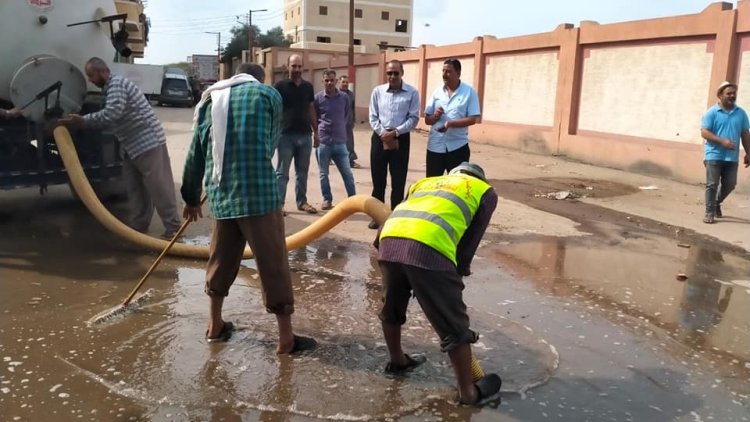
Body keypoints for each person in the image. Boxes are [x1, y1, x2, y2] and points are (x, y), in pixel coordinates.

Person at [181, 62, 317, 354]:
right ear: (259, 79)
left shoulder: (210, 101)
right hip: (259, 194)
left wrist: (191, 197)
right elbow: (269, 144)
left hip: (221, 194)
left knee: (220, 259)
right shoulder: (268, 96)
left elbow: (196, 152)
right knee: (273, 263)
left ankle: (214, 325)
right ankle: (285, 340)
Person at [374, 162, 501, 405]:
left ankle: (398, 360)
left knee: (392, 307)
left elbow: (399, 212)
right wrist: (457, 274)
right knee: (454, 324)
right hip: (428, 246)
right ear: (479, 179)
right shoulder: (485, 191)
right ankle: (468, 393)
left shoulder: (425, 182)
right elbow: (470, 241)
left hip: (389, 240)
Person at [58, 57, 182, 239]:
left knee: (158, 186)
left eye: (91, 75)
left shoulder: (116, 84)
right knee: (135, 187)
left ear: (103, 71)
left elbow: (112, 113)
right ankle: (140, 226)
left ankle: (173, 228)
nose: (90, 79)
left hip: (147, 141)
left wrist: (82, 121)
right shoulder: (109, 88)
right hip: (131, 145)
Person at [368, 59, 420, 229]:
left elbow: (413, 118)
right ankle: (378, 216)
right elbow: (373, 116)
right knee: (378, 179)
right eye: (389, 73)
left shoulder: (412, 93)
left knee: (398, 180)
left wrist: (395, 132)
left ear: (402, 73)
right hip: (380, 137)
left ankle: (395, 217)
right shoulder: (378, 91)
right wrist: (383, 132)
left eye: (395, 73)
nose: (392, 76)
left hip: (401, 138)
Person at [274, 54, 319, 215]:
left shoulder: (308, 87)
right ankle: (278, 205)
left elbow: (311, 109)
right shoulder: (280, 86)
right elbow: (274, 110)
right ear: (288, 67)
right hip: (285, 136)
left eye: (299, 66)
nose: (297, 69)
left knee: (302, 172)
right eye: (294, 66)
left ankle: (302, 202)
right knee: (282, 173)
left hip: (305, 136)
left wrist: (316, 132)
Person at [700, 81, 750, 224]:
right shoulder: (711, 112)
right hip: (713, 154)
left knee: (730, 184)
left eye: (734, 93)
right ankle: (709, 212)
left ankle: (716, 202)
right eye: (728, 93)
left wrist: (748, 152)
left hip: (731, 157)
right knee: (712, 184)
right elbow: (704, 132)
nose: (732, 95)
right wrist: (722, 141)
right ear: (720, 95)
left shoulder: (741, 113)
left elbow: (745, 133)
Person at [424, 58, 481, 178]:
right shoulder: (437, 92)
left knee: (456, 186)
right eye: (443, 71)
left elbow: (472, 119)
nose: (444, 74)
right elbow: (427, 119)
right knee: (432, 186)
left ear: (458, 73)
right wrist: (435, 116)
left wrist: (451, 124)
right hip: (435, 147)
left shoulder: (469, 92)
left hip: (457, 148)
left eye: (448, 71)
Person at [313, 69, 357, 210]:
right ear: (323, 81)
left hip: (340, 142)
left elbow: (345, 115)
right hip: (324, 142)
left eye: (332, 80)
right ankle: (327, 199)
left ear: (336, 80)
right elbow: (315, 117)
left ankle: (353, 200)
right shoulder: (318, 98)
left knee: (347, 173)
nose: (329, 83)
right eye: (326, 80)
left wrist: (340, 130)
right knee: (323, 174)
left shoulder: (344, 98)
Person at [338, 74, 360, 168]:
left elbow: (352, 108)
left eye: (347, 82)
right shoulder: (335, 94)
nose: (345, 84)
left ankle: (350, 161)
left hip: (348, 123)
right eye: (343, 82)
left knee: (349, 143)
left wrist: (353, 120)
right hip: (337, 124)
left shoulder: (351, 94)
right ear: (339, 82)